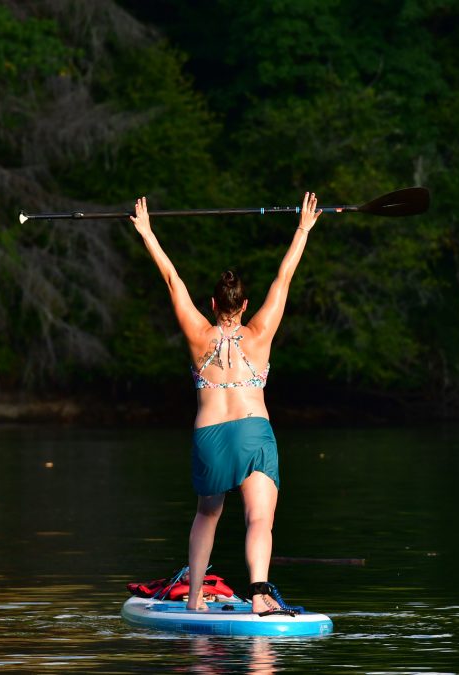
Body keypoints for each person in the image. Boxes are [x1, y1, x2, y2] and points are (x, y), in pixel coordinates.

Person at [130, 191, 321, 615]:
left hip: (211, 436)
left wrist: (147, 232)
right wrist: (303, 229)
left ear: (214, 304)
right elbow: (284, 278)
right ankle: (258, 595)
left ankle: (195, 596)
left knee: (208, 515)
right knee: (259, 519)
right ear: (244, 304)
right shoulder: (260, 333)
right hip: (254, 432)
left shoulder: (199, 334)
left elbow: (172, 280)